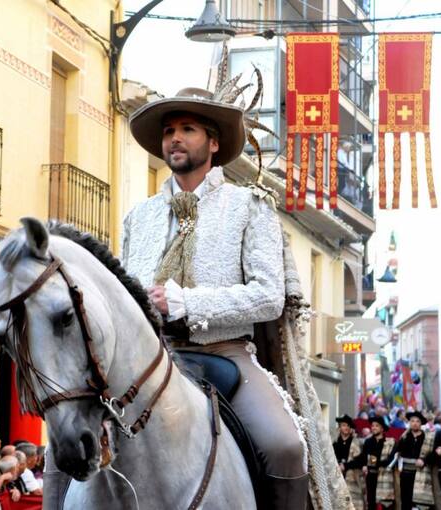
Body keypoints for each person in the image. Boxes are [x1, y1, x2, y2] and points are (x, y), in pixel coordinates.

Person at [118, 86, 308, 509]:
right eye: (168, 131)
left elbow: (269, 297)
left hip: (226, 354)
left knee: (285, 446)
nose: (175, 138)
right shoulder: (138, 217)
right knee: (66, 445)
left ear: (214, 143)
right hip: (149, 359)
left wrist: (187, 304)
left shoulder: (249, 206)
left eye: (188, 129)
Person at [349, 416, 395, 510]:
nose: (373, 428)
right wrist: (364, 464)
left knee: (386, 503)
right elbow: (364, 457)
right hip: (371, 476)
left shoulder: (389, 442)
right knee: (371, 502)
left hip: (384, 476)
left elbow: (388, 460)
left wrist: (372, 462)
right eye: (372, 425)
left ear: (382, 428)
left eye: (376, 426)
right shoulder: (368, 441)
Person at [392, 411, 430, 510]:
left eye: (417, 421)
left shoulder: (426, 438)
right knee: (405, 500)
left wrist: (424, 460)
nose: (415, 423)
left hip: (421, 474)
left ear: (421, 423)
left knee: (419, 501)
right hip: (405, 473)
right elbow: (396, 452)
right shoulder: (404, 437)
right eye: (412, 421)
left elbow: (431, 454)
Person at [333, 415, 364, 509]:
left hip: (353, 478)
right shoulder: (335, 443)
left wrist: (345, 466)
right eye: (343, 425)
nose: (346, 428)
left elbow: (360, 461)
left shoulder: (356, 442)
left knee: (353, 503)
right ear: (339, 427)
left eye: (348, 425)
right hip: (338, 476)